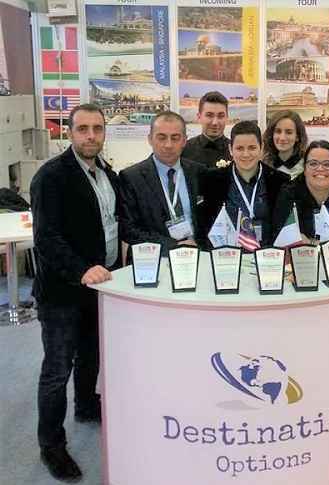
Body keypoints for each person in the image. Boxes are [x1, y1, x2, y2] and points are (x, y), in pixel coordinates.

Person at [30, 103, 121, 482]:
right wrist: (81, 269)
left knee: (90, 356)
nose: (91, 136)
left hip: (98, 287)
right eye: (83, 129)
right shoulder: (51, 176)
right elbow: (46, 238)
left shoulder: (106, 173)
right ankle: (51, 445)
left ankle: (85, 406)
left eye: (97, 128)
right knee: (57, 369)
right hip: (63, 292)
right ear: (70, 133)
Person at [120, 112, 206, 256]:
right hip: (153, 259)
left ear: (184, 141)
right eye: (161, 137)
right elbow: (128, 230)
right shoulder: (131, 177)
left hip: (196, 255)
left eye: (175, 138)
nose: (168, 145)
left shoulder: (199, 172)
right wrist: (173, 246)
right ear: (150, 139)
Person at [200, 120, 289, 250]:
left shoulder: (279, 181)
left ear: (261, 148)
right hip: (226, 255)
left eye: (252, 148)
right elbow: (204, 226)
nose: (246, 154)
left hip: (268, 255)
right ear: (230, 149)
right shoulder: (212, 181)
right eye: (240, 148)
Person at [273, 140, 329, 244]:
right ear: (304, 169)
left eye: (327, 164)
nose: (320, 168)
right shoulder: (288, 194)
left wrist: (313, 242)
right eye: (313, 163)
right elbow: (280, 235)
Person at [182, 91, 232, 167]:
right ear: (199, 117)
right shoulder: (184, 149)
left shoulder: (236, 151)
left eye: (220, 116)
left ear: (227, 118)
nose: (215, 122)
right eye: (209, 115)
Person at [263, 110, 308, 180]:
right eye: (278, 131)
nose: (282, 138)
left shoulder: (307, 165)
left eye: (289, 132)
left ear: (297, 136)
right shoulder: (263, 163)